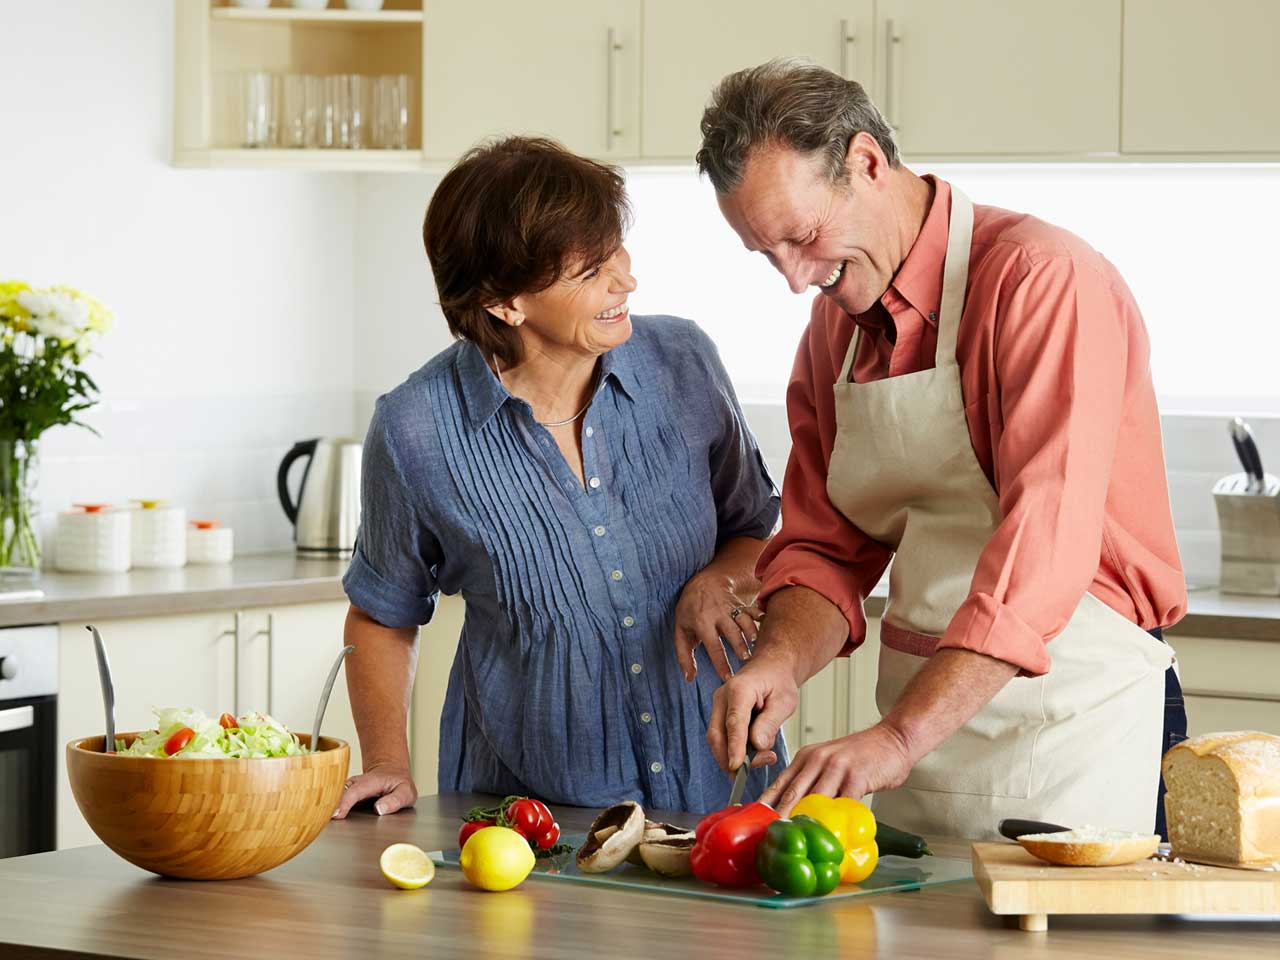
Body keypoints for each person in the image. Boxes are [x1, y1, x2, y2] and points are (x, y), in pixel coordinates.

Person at [697, 59, 1188, 840]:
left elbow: (1044, 557)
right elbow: (826, 546)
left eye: (803, 237)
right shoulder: (837, 326)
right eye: (767, 254)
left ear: (866, 162)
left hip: (1077, 728)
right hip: (924, 733)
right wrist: (779, 662)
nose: (795, 280)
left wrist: (897, 738)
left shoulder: (1041, 280)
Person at [333, 136, 782, 819]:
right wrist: (389, 764)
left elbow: (752, 524)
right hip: (530, 818)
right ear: (503, 303)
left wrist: (717, 580)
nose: (624, 280)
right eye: (591, 271)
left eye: (617, 251)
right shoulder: (415, 428)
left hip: (716, 797)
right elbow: (381, 613)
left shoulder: (683, 363)